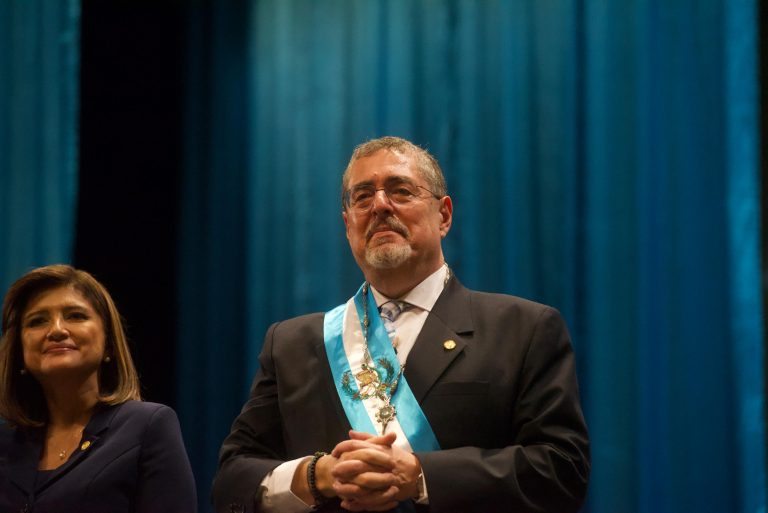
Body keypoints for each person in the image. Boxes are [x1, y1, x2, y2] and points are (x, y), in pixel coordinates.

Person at [213, 136, 590, 513]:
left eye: (401, 191)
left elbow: (562, 469)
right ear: (348, 226)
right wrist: (317, 475)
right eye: (362, 197)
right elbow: (232, 479)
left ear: (443, 215)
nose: (379, 205)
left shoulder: (524, 329)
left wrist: (420, 475)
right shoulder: (290, 343)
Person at [0, 264, 197, 513]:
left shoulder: (147, 426)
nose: (57, 330)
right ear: (19, 352)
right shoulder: (5, 445)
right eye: (37, 321)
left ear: (109, 345)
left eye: (75, 316)